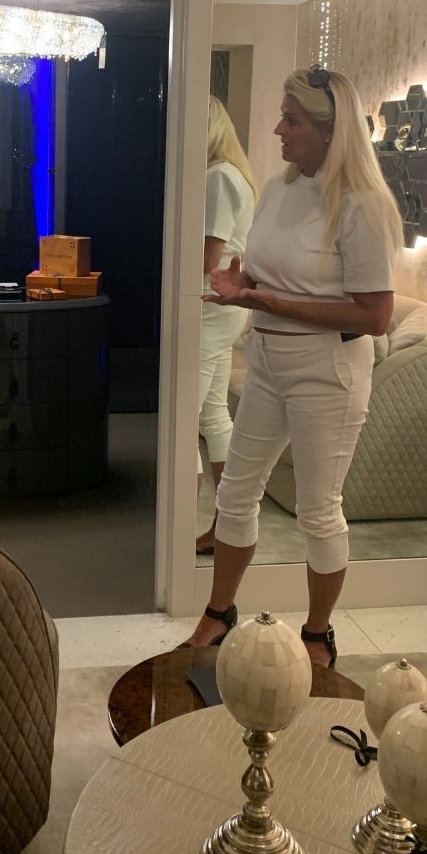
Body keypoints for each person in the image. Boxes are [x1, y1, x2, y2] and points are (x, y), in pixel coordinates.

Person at [188, 66, 402, 665]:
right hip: (267, 360)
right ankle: (218, 612)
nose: (278, 128)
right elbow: (264, 268)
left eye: (292, 120)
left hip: (326, 372)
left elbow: (375, 316)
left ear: (331, 132)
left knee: (317, 510)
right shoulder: (281, 189)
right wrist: (244, 280)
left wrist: (261, 299)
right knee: (235, 494)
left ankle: (316, 635)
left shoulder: (362, 206)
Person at [195, 97, 256, 557]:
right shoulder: (235, 175)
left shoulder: (218, 177)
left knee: (184, 414)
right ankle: (226, 523)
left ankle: (179, 522)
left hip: (210, 306)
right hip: (221, 307)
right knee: (212, 414)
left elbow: (208, 258)